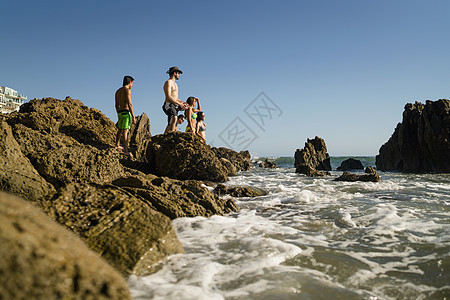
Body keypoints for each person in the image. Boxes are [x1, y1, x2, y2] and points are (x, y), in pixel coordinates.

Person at [115, 75, 136, 157]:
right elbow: (130, 104)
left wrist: (118, 113)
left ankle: (117, 145)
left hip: (120, 112)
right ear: (130, 82)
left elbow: (116, 105)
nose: (132, 85)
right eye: (132, 83)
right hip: (126, 112)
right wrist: (133, 116)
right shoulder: (127, 90)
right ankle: (126, 151)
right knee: (125, 131)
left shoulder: (117, 91)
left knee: (120, 129)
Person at [163, 66, 188, 133]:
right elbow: (168, 97)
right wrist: (179, 103)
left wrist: (183, 102)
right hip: (169, 105)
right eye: (178, 73)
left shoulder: (176, 84)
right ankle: (171, 136)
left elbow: (175, 98)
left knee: (171, 123)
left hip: (174, 105)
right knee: (174, 118)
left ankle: (165, 136)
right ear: (174, 73)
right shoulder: (168, 82)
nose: (179, 75)